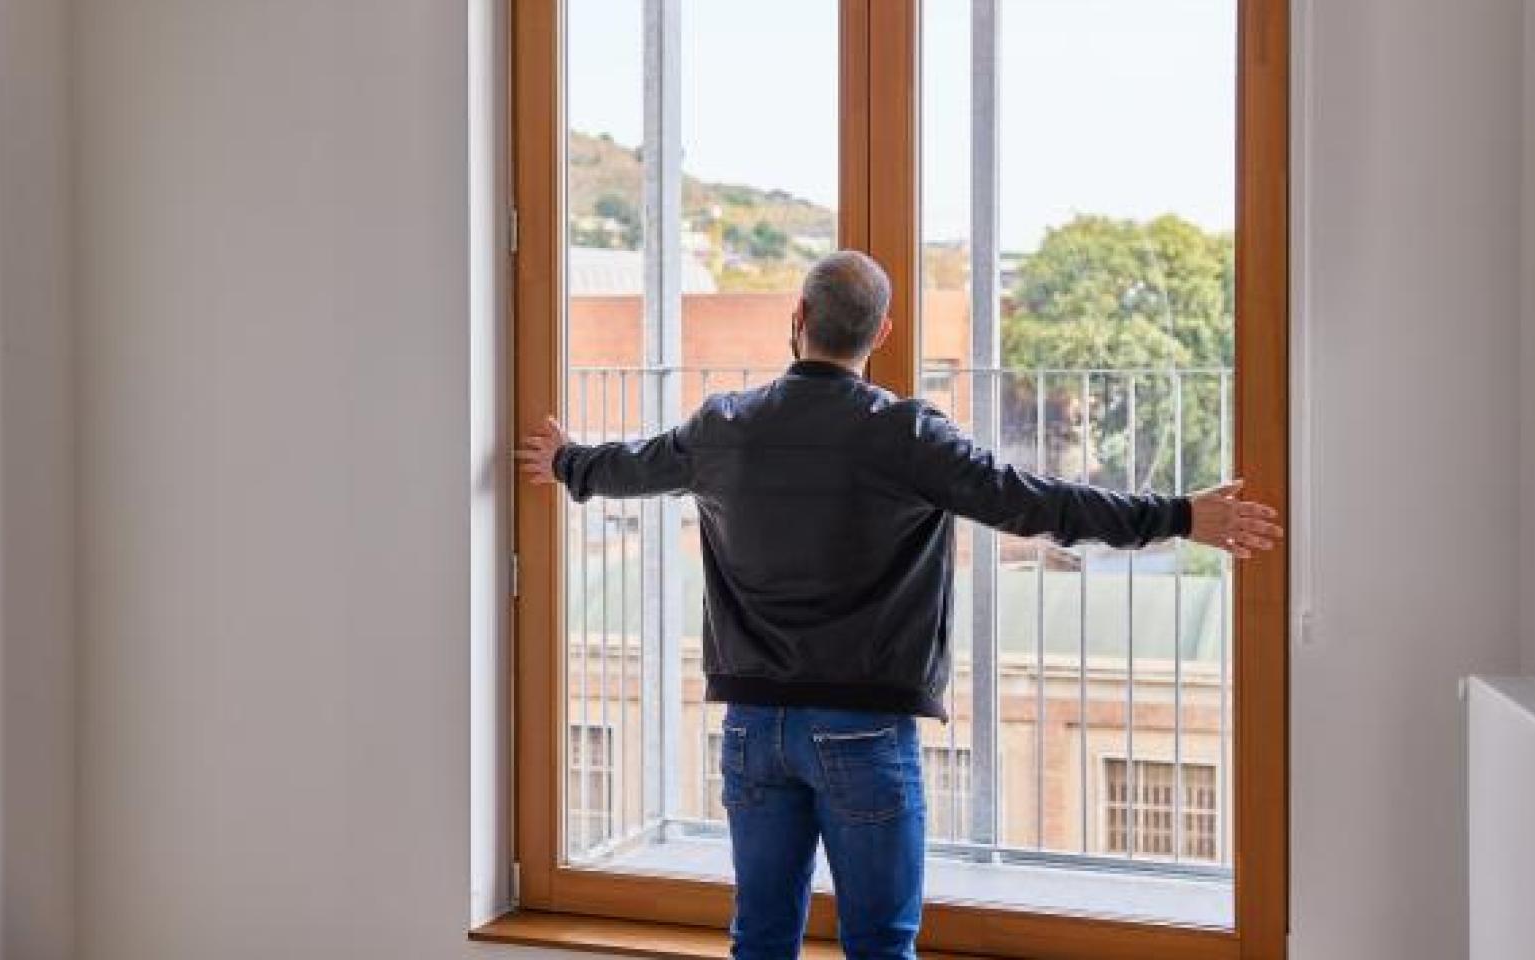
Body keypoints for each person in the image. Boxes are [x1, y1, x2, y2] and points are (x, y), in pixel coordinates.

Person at [516, 250, 1282, 960]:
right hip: (862, 731)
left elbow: (628, 466)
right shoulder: (908, 435)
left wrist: (564, 460)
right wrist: (1180, 517)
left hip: (752, 729)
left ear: (798, 321)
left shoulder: (724, 426)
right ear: (880, 333)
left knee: (760, 940)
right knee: (881, 947)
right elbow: (1039, 504)